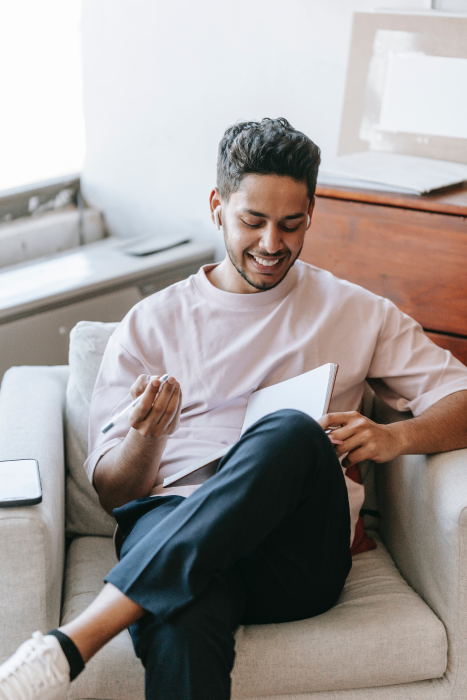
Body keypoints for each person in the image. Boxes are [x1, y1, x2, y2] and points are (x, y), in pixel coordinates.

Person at [1, 118, 467, 700]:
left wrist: (397, 438)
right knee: (182, 620)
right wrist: (148, 439)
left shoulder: (356, 311)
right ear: (218, 206)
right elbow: (117, 496)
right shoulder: (152, 324)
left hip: (294, 556)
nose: (272, 244)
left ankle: (80, 638)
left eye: (291, 224)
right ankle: (136, 603)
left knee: (292, 433)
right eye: (253, 221)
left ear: (311, 214)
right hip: (173, 519)